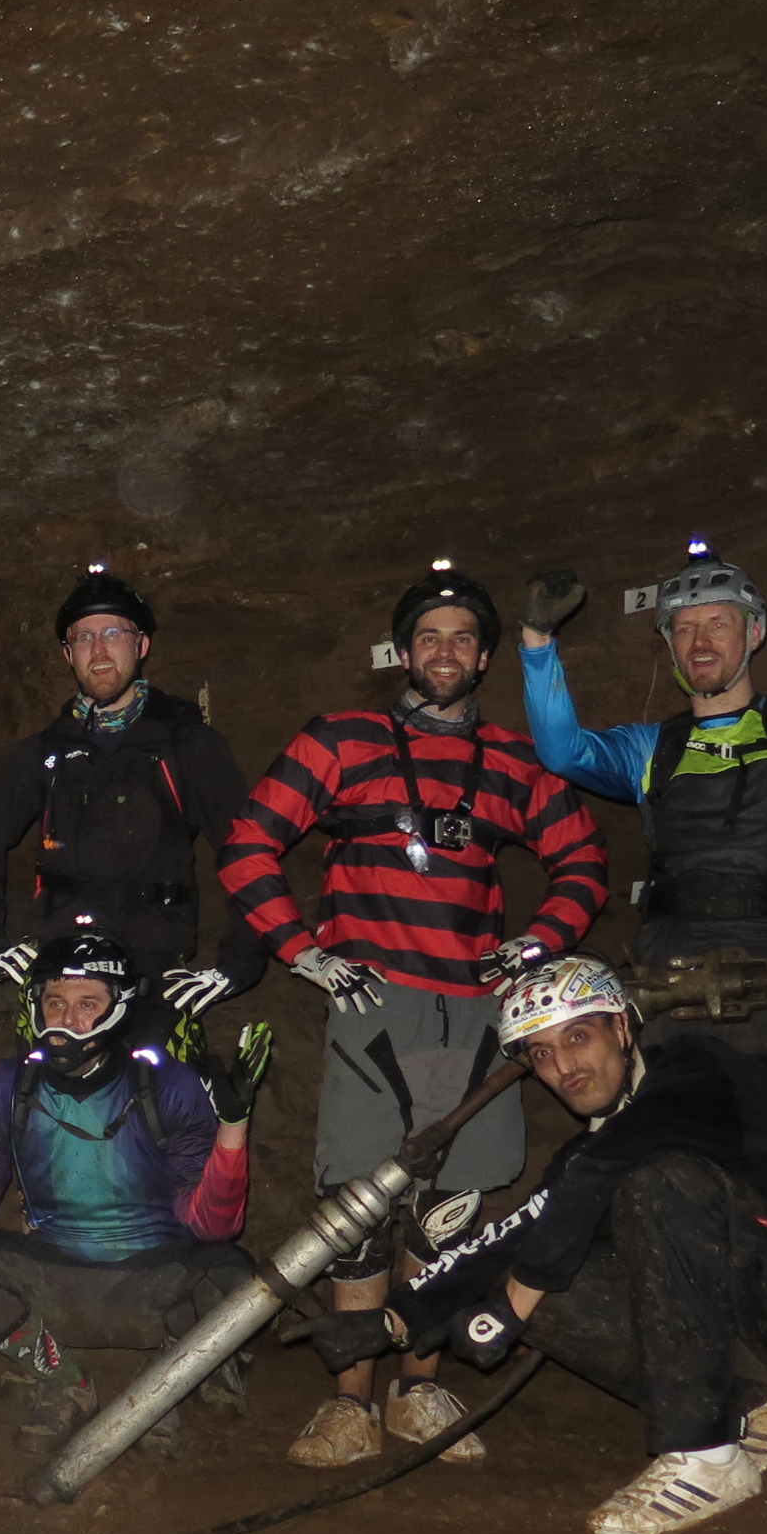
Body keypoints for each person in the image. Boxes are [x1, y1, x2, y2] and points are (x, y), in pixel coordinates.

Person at [221, 563, 610, 1471]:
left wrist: (538, 944)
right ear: (403, 651)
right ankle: (349, 1404)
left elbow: (584, 859)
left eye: (463, 639)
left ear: (484, 658)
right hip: (376, 1004)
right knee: (360, 1202)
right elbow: (249, 843)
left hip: (472, 1011)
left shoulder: (511, 761)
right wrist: (302, 951)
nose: (445, 652)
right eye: (428, 637)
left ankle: (420, 1388)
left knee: (452, 1207)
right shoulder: (343, 740)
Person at [380, 955, 767, 1534]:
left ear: (621, 1026)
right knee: (553, 1261)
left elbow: (604, 1171)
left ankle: (705, 1457)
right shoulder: (594, 1147)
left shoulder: (697, 1075)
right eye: (543, 1054)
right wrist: (397, 1316)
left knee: (656, 1185)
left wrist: (511, 1305)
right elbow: (518, 1231)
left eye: (578, 1037)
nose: (565, 1067)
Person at [514, 514, 767, 1073]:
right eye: (684, 629)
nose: (700, 641)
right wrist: (537, 639)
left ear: (754, 634)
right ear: (670, 647)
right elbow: (563, 752)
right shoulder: (651, 748)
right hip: (675, 983)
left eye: (718, 623)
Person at [0, 930, 268, 1457]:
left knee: (236, 1277)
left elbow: (215, 1228)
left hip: (157, 1284)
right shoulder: (8, 1084)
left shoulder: (165, 1083)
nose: (67, 1019)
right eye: (55, 1002)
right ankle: (63, 1382)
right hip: (55, 1284)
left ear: (119, 1008)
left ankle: (162, 1386)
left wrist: (232, 1127)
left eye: (88, 1004)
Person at [0, 563, 268, 1016]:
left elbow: (246, 851)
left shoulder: (187, 746)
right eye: (83, 637)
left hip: (154, 969)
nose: (99, 648)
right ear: (68, 655)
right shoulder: (43, 754)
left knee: (164, 1085)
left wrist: (236, 964)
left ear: (142, 644)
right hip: (60, 968)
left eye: (114, 632)